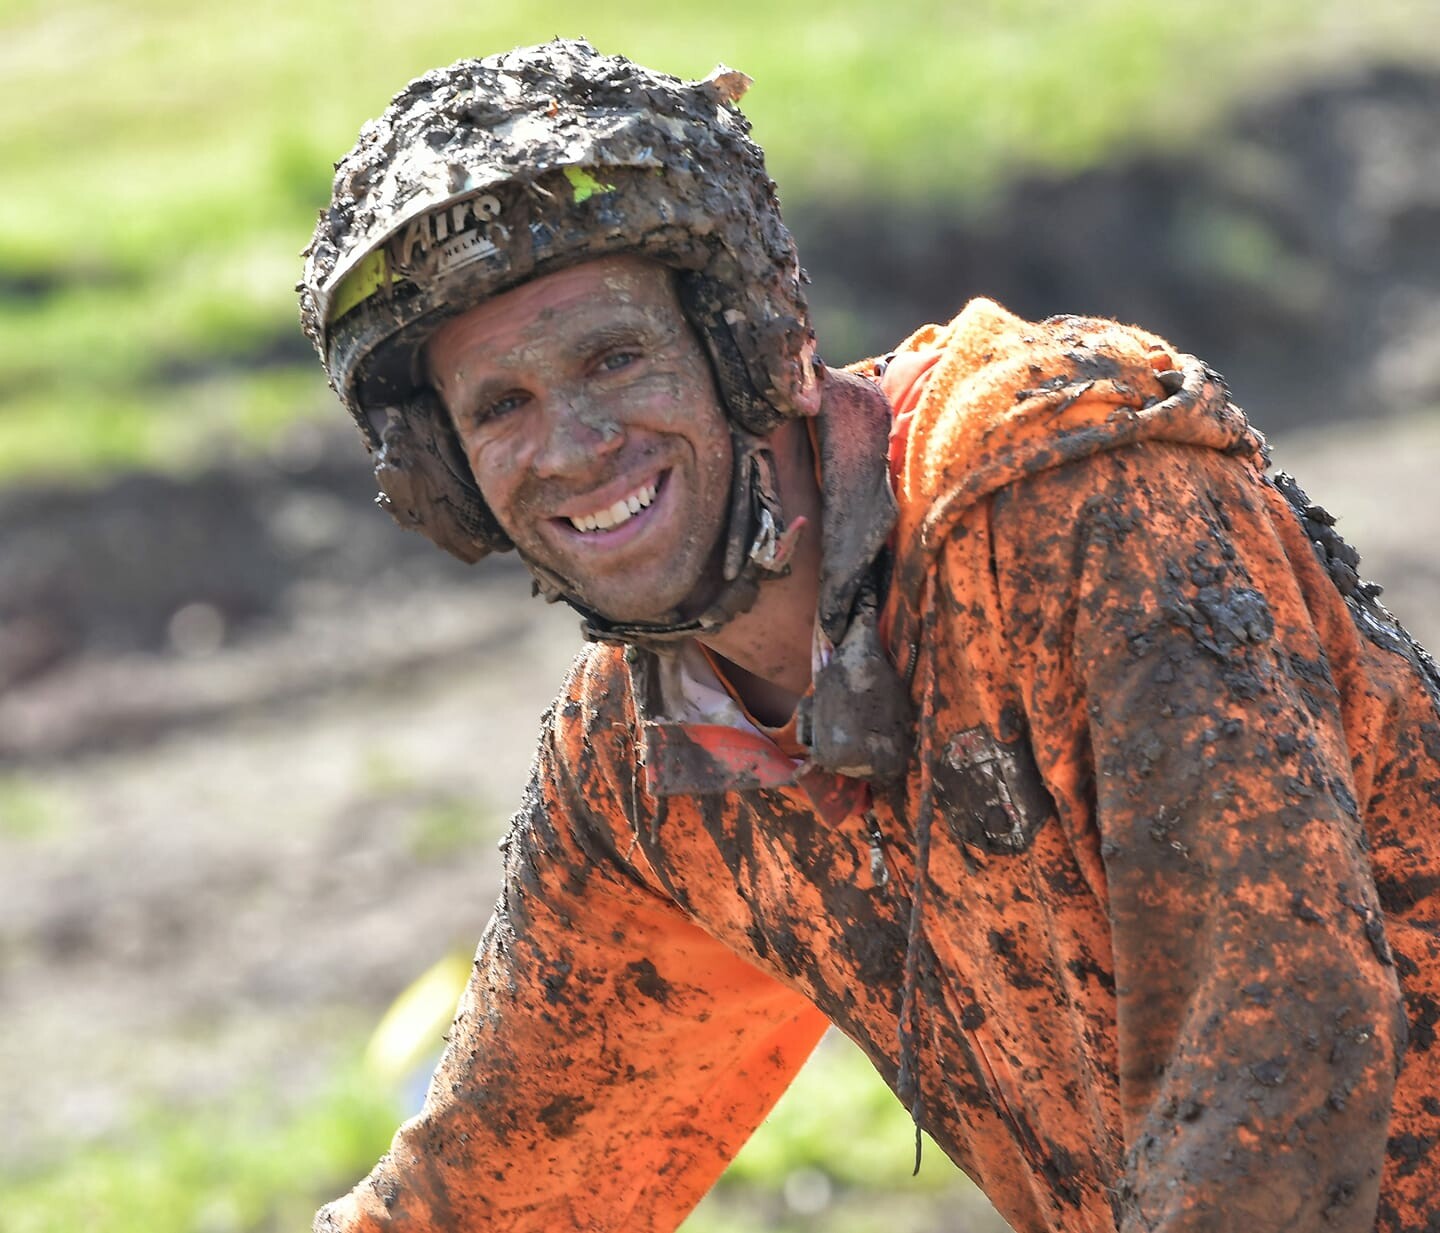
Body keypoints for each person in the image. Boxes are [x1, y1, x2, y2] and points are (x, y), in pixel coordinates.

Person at [298, 39, 1440, 1233]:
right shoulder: (649, 777)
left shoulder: (1058, 499)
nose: (575, 445)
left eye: (614, 356)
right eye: (501, 408)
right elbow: (492, 1194)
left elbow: (1280, 1046)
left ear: (752, 338)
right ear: (447, 478)